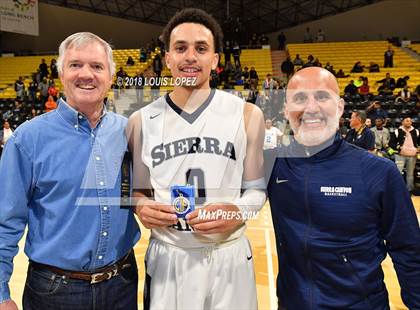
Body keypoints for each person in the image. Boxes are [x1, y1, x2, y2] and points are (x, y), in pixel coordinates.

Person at [126, 8, 266, 310]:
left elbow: (257, 190)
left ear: (215, 60)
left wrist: (237, 210)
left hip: (229, 254)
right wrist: (140, 206)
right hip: (169, 256)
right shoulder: (140, 121)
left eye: (201, 48)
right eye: (180, 48)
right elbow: (139, 191)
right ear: (167, 58)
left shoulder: (247, 114)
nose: (190, 57)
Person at [0, 32, 140, 310]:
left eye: (97, 66)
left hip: (122, 284)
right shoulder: (27, 139)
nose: (86, 74)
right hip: (54, 292)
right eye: (75, 65)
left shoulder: (130, 131)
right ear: (60, 73)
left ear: (111, 76)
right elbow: (5, 221)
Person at [265, 66, 420, 309]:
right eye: (299, 98)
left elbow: (409, 250)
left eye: (322, 96)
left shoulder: (379, 172)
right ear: (286, 110)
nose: (311, 107)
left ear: (340, 107)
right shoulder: (272, 165)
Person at [389, 117, 419, 192]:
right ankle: (397, 190)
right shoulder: (397, 131)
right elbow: (391, 143)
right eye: (407, 121)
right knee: (398, 173)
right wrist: (399, 148)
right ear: (402, 122)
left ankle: (409, 190)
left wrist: (418, 148)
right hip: (400, 155)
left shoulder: (416, 131)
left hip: (412, 155)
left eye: (410, 121)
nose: (409, 122)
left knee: (410, 174)